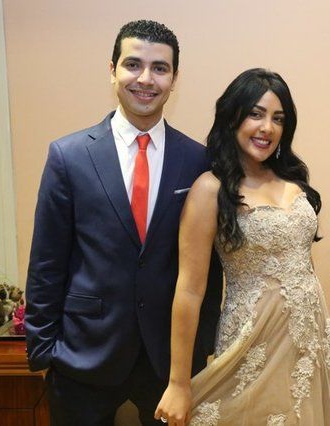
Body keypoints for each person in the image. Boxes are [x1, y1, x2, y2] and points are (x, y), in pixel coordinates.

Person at [25, 20, 222, 425]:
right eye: (133, 64)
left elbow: (210, 269)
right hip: (82, 356)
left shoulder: (199, 161)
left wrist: (200, 348)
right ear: (112, 70)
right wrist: (43, 351)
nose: (146, 79)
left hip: (168, 361)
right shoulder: (68, 156)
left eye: (160, 68)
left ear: (174, 79)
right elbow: (47, 262)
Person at [155, 68, 330, 425]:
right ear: (233, 118)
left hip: (309, 344)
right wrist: (178, 382)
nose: (267, 128)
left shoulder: (293, 179)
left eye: (278, 119)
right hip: (253, 342)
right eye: (256, 114)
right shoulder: (211, 188)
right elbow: (190, 290)